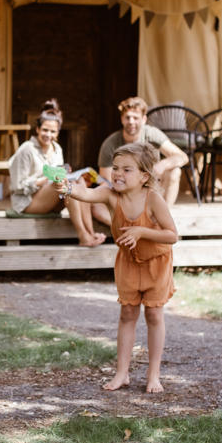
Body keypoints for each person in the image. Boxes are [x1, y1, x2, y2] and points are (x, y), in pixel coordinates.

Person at [56, 142, 178, 393]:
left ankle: (153, 374)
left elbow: (172, 235)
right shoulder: (110, 194)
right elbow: (86, 195)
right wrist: (66, 187)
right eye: (115, 168)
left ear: (145, 176)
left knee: (154, 315)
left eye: (127, 169)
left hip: (156, 263)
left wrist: (141, 231)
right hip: (129, 263)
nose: (118, 173)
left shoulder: (154, 199)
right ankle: (122, 373)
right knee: (127, 314)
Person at [8, 99, 105, 247]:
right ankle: (82, 235)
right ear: (38, 129)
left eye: (53, 131)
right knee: (67, 183)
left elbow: (60, 178)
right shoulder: (26, 149)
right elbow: (18, 186)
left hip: (51, 198)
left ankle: (90, 233)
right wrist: (45, 180)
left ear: (58, 132)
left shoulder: (57, 149)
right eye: (45, 130)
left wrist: (65, 174)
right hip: (27, 202)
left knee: (79, 182)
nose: (48, 134)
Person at [92, 97, 189, 226]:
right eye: (127, 117)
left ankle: (159, 220)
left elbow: (182, 157)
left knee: (175, 171)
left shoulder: (152, 134)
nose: (131, 122)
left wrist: (162, 164)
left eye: (135, 118)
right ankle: (130, 228)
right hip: (124, 195)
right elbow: (105, 180)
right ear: (122, 119)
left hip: (150, 190)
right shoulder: (110, 143)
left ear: (144, 119)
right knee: (97, 208)